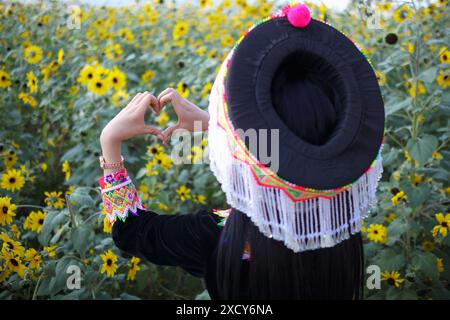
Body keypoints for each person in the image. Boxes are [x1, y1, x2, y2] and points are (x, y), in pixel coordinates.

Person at [97, 3, 384, 300]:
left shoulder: (219, 237)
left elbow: (131, 230)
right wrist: (213, 125)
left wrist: (110, 143)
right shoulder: (337, 225)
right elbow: (296, 159)